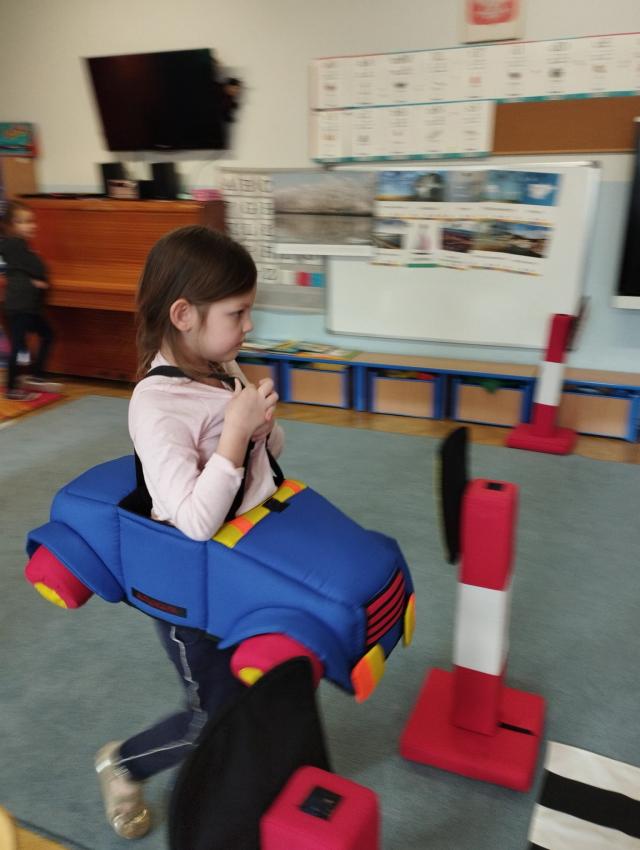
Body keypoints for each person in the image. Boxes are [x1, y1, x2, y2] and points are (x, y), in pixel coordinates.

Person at [95, 225, 283, 839]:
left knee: (257, 676)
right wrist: (237, 431)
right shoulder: (157, 406)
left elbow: (262, 465)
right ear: (184, 315)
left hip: (239, 562)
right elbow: (195, 521)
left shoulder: (219, 364)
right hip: (186, 590)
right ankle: (123, 764)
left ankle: (246, 767)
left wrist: (262, 429)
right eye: (238, 313)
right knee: (209, 715)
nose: (248, 326)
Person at [0, 201, 61, 399]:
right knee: (19, 346)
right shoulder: (13, 244)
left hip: (29, 307)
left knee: (47, 335)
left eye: (31, 221)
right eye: (23, 222)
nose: (31, 225)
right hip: (20, 306)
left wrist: (37, 279)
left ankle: (36, 375)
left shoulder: (21, 246)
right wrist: (37, 278)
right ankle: (12, 388)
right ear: (11, 225)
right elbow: (36, 267)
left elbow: (29, 267)